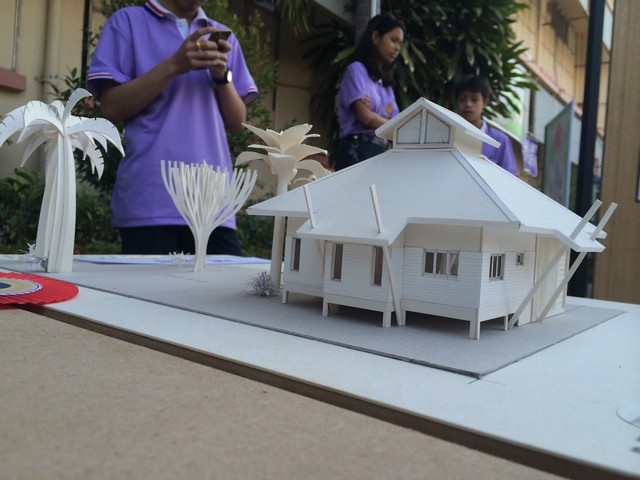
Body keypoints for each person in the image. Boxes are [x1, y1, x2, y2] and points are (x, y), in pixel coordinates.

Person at [87, 0, 258, 255]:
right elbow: (111, 108)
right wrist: (174, 65)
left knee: (224, 281)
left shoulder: (220, 33)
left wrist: (222, 76)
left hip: (213, 202)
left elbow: (237, 122)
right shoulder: (128, 22)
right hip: (150, 200)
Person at [334, 13, 405, 171]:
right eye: (393, 40)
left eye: (400, 43)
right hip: (357, 150)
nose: (397, 48)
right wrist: (386, 121)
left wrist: (377, 117)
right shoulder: (356, 70)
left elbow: (398, 122)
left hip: (381, 152)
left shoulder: (385, 83)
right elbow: (366, 117)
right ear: (376, 37)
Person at [454, 76, 519, 176]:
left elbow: (511, 177)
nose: (468, 104)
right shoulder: (448, 136)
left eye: (474, 99)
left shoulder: (500, 140)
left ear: (485, 103)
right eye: (462, 99)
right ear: (456, 103)